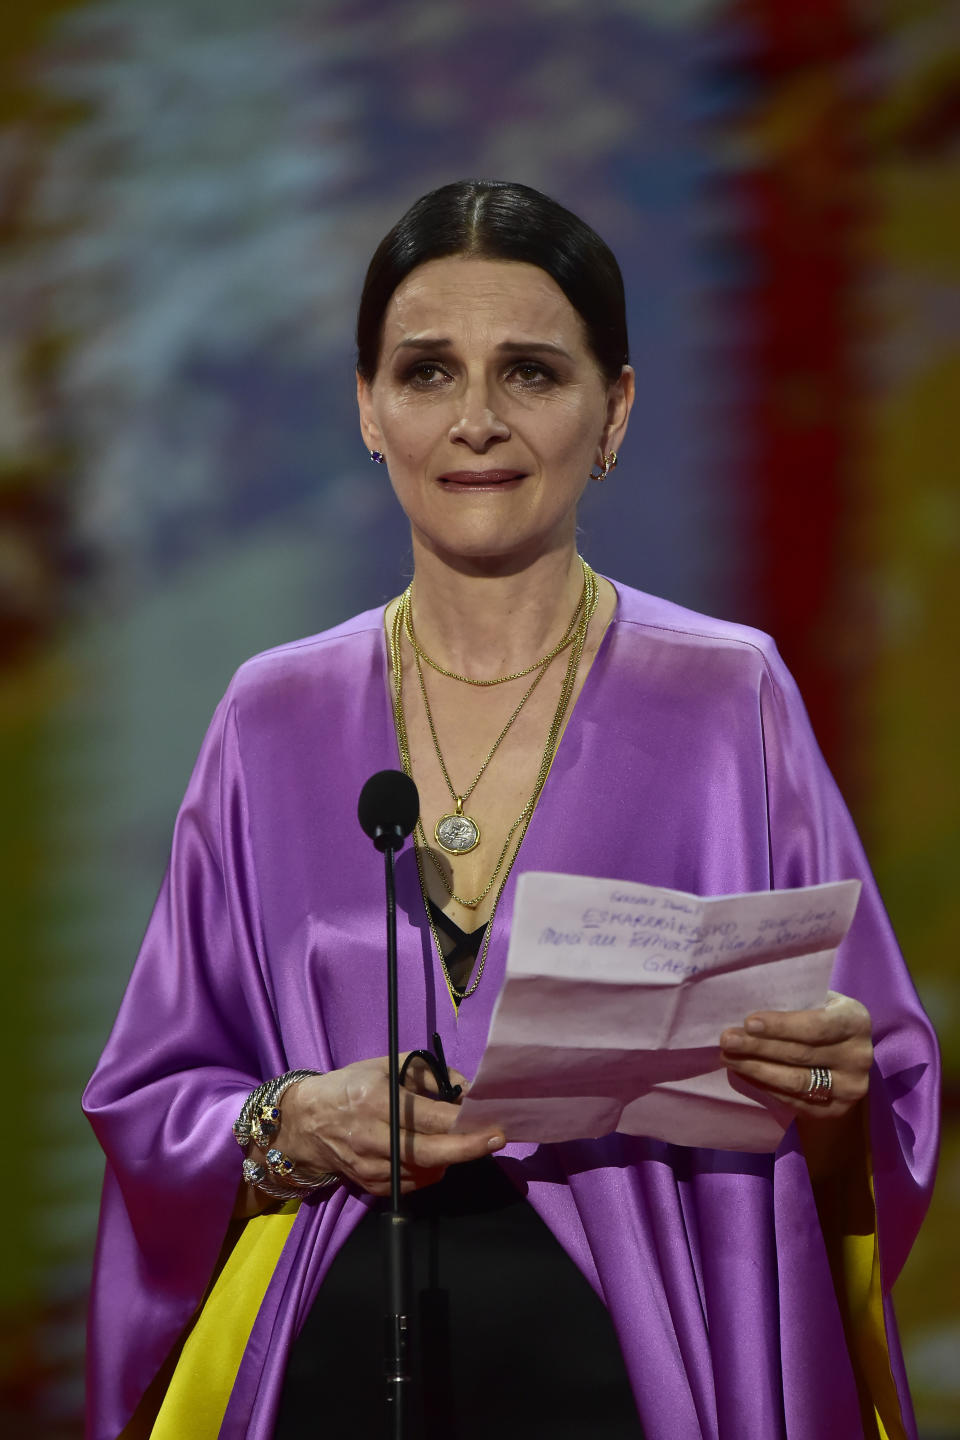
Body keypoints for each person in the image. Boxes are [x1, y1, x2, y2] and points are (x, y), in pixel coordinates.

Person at [84, 181, 938, 1440]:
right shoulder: (270, 717)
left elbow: (878, 1075)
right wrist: (293, 1121)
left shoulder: (726, 696)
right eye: (427, 372)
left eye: (531, 372)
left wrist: (832, 1081)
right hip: (329, 1366)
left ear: (616, 413)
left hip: (644, 1367)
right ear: (367, 408)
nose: (476, 420)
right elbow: (157, 1101)